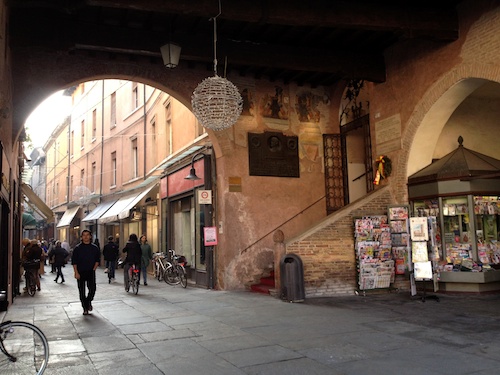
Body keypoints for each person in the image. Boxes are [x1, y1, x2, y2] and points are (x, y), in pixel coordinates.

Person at [72, 230, 101, 315]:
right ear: (81, 237)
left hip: (90, 271)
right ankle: (85, 308)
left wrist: (94, 269)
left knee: (92, 289)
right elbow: (74, 261)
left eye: (87, 235)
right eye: (84, 235)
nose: (85, 237)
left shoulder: (94, 248)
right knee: (82, 290)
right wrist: (76, 272)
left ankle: (88, 302)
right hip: (80, 271)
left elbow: (97, 260)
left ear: (90, 236)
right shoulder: (77, 248)